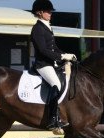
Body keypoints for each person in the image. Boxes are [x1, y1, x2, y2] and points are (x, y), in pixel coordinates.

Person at [31, 0, 76, 130]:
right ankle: (52, 119)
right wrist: (61, 57)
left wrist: (67, 54)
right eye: (48, 11)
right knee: (56, 84)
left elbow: (53, 48)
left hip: (52, 63)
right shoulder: (37, 28)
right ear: (40, 12)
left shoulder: (47, 27)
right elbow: (43, 50)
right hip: (43, 64)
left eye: (50, 11)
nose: (50, 13)